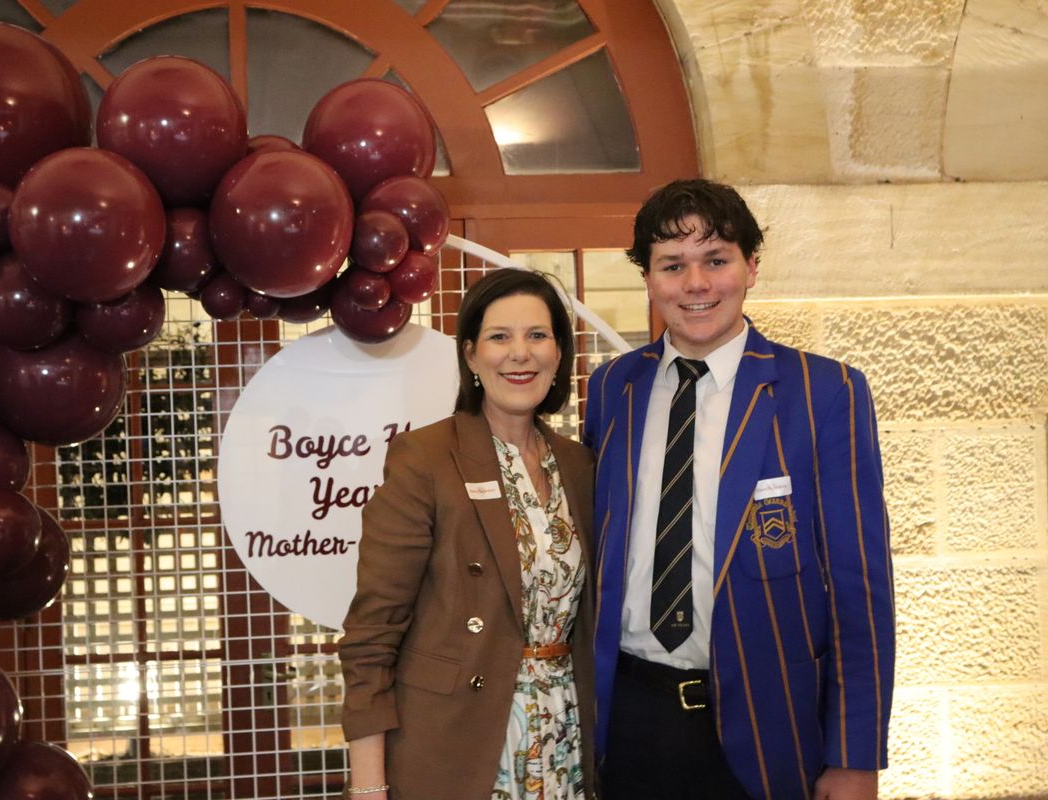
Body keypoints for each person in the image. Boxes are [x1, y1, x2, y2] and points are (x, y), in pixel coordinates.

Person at [583, 179, 895, 800]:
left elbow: (859, 586)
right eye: (673, 265)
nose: (696, 284)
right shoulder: (612, 387)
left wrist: (855, 757)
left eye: (716, 260)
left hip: (771, 724)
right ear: (648, 279)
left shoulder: (824, 392)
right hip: (631, 719)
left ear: (751, 267)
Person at [339, 268, 597, 800]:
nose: (520, 354)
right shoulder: (426, 459)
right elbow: (371, 636)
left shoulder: (579, 464)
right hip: (458, 743)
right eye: (500, 337)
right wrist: (368, 787)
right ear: (472, 355)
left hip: (565, 735)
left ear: (558, 353)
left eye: (537, 335)